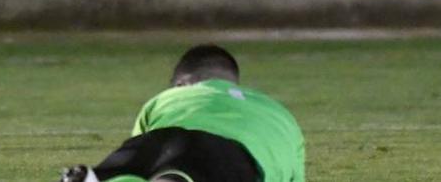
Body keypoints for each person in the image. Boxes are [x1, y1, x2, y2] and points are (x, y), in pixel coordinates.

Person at [58, 44, 305, 182]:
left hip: (163, 138)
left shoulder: (167, 99)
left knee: (126, 174)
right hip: (237, 155)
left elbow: (144, 157)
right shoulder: (281, 114)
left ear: (181, 84)